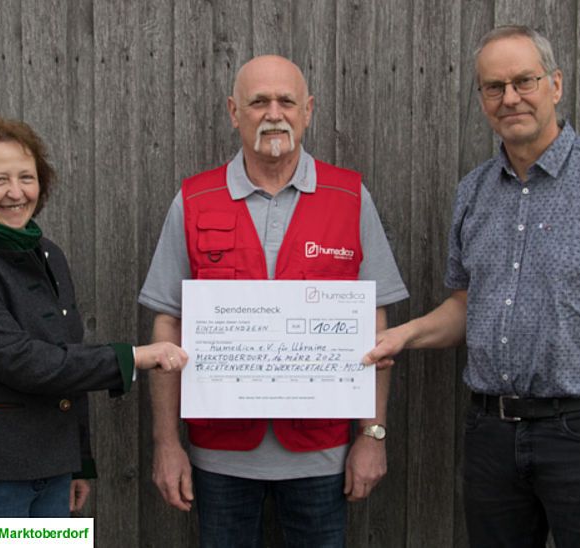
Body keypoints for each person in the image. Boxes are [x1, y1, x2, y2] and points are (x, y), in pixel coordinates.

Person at [364, 25, 580, 547]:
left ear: (554, 84)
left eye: (523, 81)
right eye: (494, 86)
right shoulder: (473, 192)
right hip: (491, 435)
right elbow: (466, 306)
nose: (510, 98)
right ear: (482, 98)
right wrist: (402, 337)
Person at [139, 55, 408, 547]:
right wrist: (166, 443)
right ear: (233, 112)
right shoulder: (195, 200)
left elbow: (376, 328)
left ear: (307, 111)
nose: (273, 113)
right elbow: (167, 325)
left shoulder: (348, 197)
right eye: (258, 101)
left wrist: (372, 436)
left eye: (286, 100)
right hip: (218, 457)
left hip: (321, 454)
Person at [0, 113, 188, 518]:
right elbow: (24, 362)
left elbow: (66, 357)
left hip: (53, 474)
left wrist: (77, 461)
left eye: (27, 177)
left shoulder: (49, 254)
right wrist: (133, 356)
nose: (16, 192)